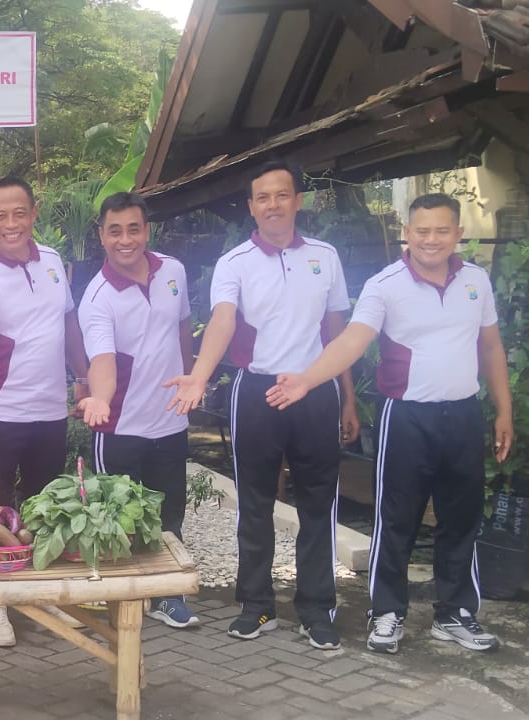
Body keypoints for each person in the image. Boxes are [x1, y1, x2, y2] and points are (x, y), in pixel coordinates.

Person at [266, 193, 512, 654]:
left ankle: (455, 614)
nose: (431, 240)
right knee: (397, 518)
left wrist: (504, 410)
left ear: (458, 234)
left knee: (461, 518)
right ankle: (386, 612)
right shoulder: (386, 285)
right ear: (407, 233)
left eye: (442, 231)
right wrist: (307, 379)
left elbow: (492, 347)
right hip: (407, 418)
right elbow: (352, 340)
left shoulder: (476, 281)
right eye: (422, 230)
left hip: (463, 414)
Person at [163, 159, 359, 651]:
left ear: (298, 201)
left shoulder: (325, 257)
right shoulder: (235, 263)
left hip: (316, 391)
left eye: (282, 195)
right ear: (251, 207)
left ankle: (316, 610)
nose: (273, 205)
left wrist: (348, 398)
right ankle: (256, 605)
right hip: (257, 392)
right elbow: (223, 321)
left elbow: (338, 334)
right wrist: (200, 376)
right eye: (263, 198)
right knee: (254, 504)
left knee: (318, 504)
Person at [0, 177, 90, 647]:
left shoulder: (51, 261)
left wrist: (84, 377)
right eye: (0, 216)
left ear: (33, 213)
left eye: (19, 213)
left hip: (50, 411)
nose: (11, 224)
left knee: (42, 508)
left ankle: (39, 593)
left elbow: (67, 323)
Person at [75, 192, 199, 629]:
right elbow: (103, 361)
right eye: (115, 231)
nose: (125, 239)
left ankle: (167, 596)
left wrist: (191, 378)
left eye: (133, 229)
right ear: (101, 236)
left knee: (169, 514)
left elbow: (182, 325)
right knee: (116, 518)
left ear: (147, 231)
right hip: (120, 425)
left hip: (170, 419)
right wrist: (99, 398)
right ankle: (120, 596)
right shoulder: (97, 297)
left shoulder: (174, 271)